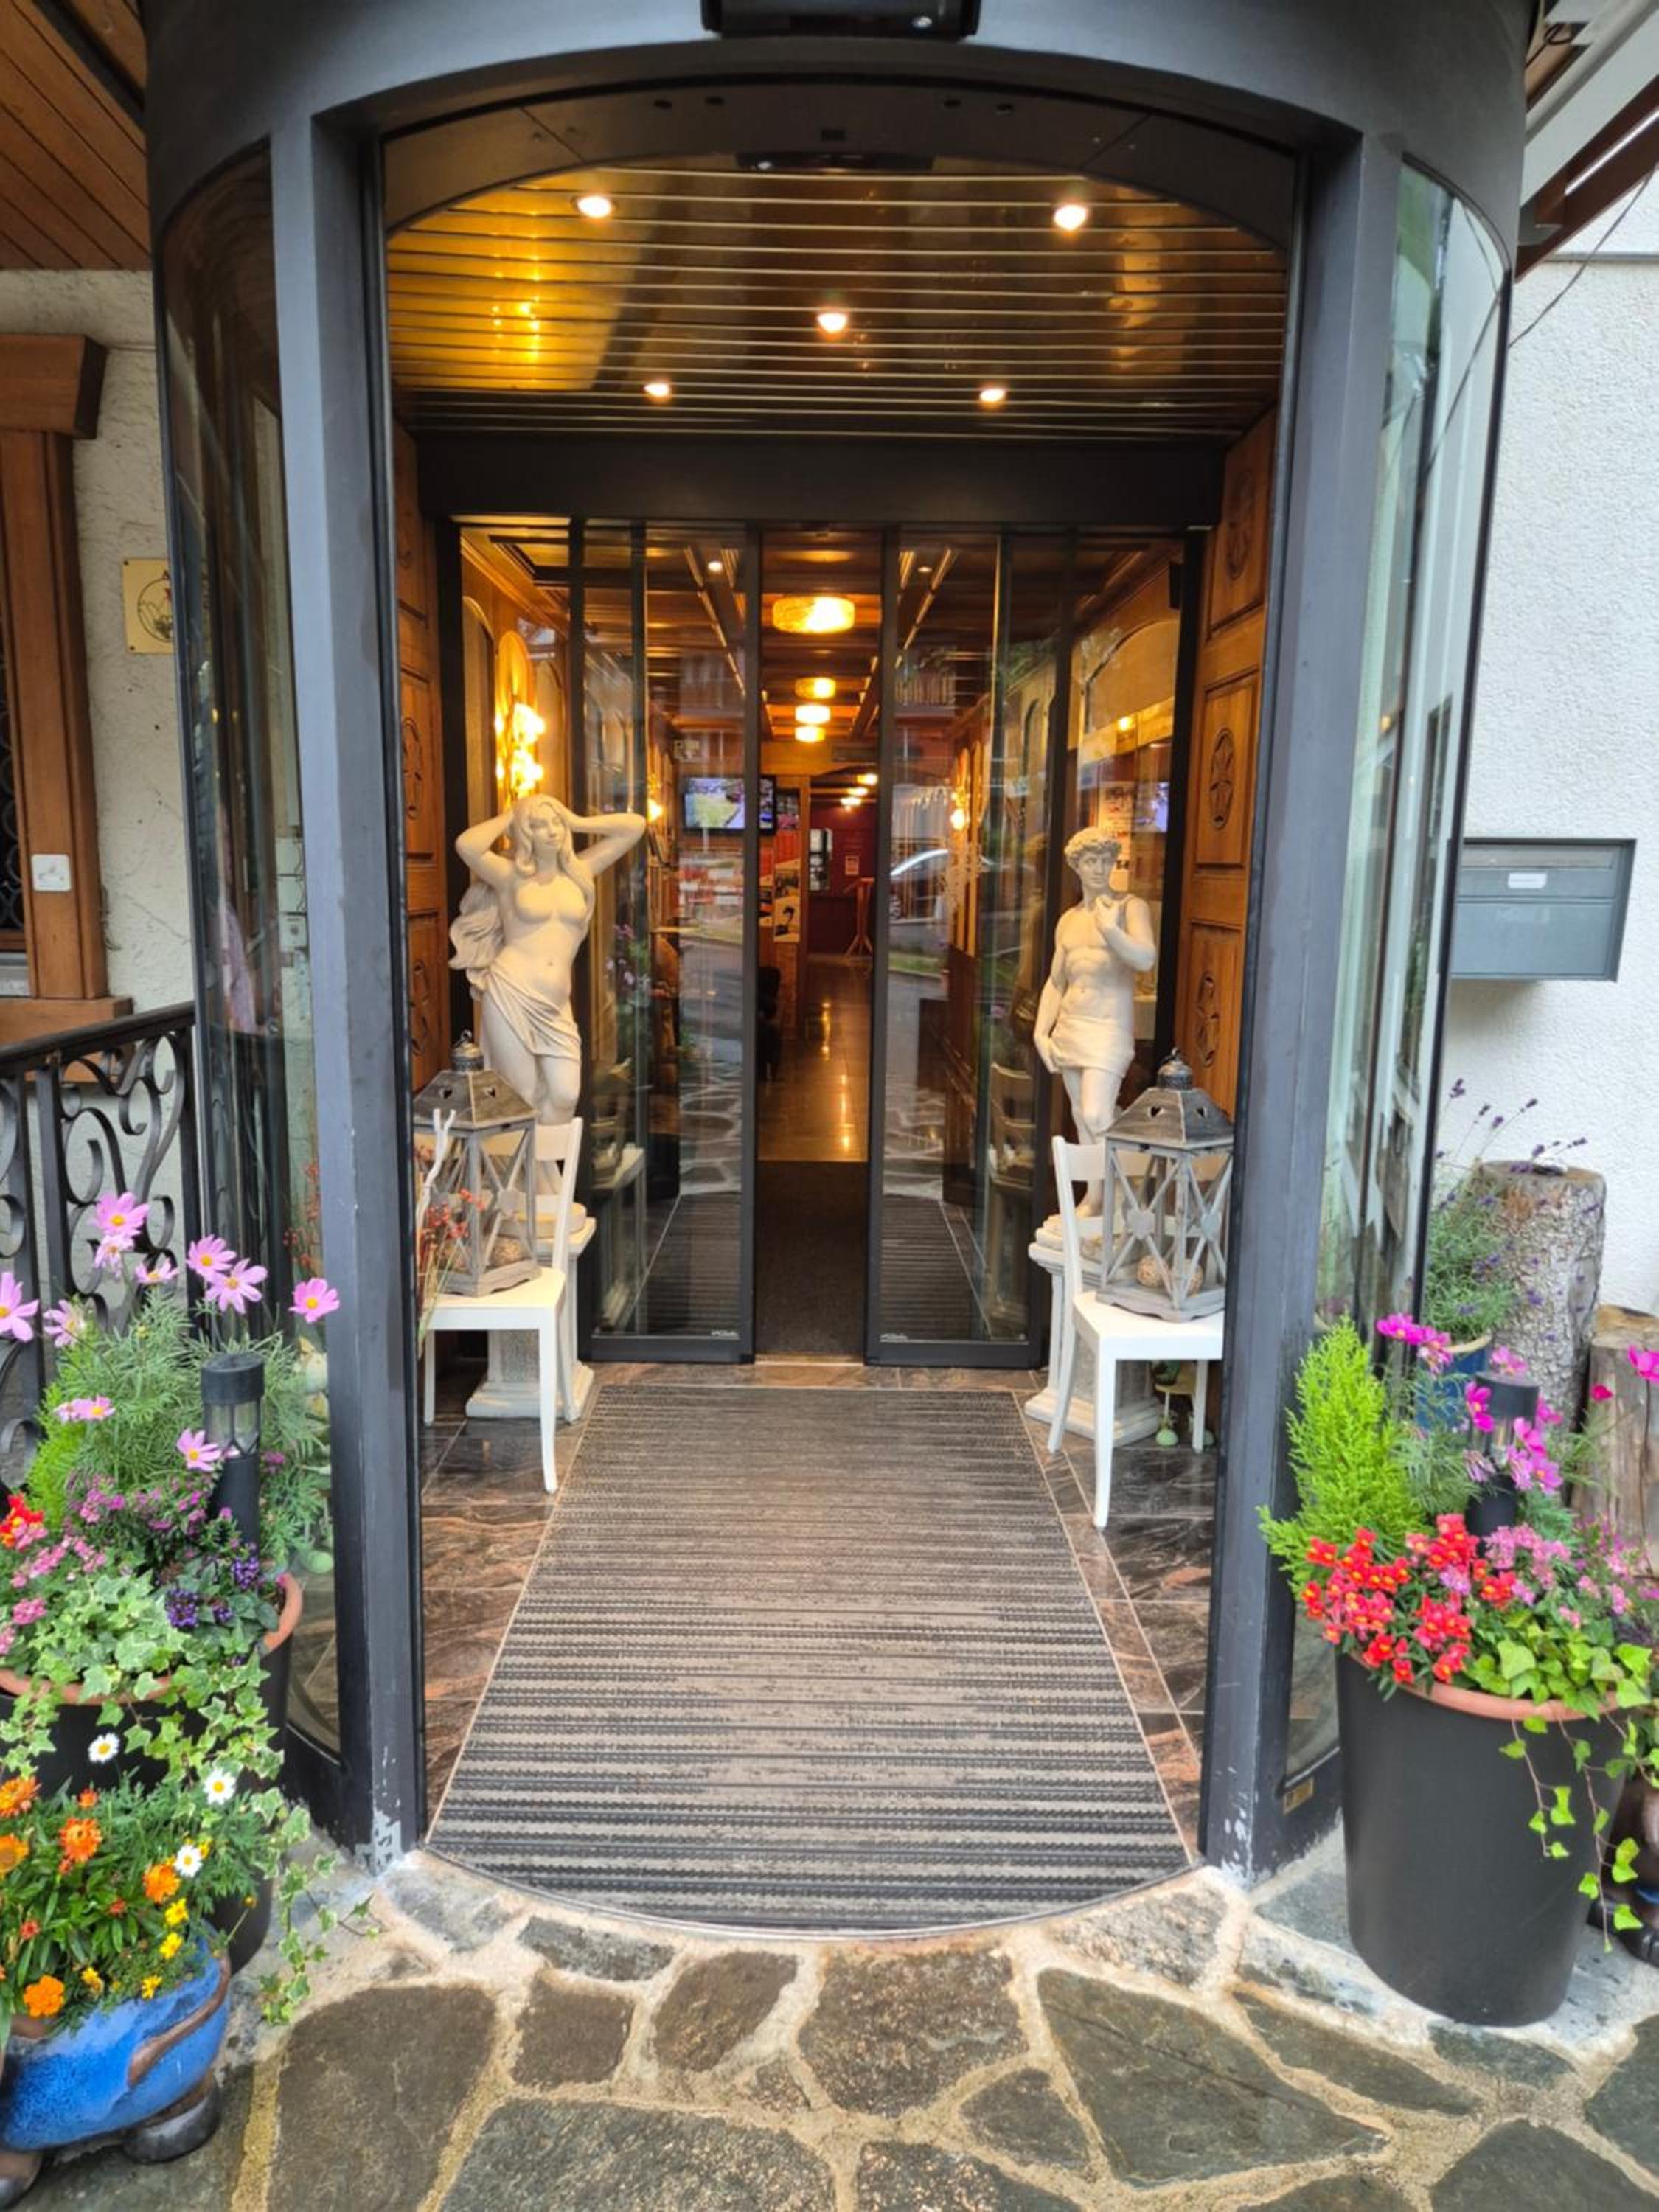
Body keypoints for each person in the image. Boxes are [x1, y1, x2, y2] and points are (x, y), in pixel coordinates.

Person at [449, 792, 644, 1125]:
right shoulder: (509, 876)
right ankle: (535, 1163)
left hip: (555, 1005)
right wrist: (512, 816)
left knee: (565, 1095)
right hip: (511, 991)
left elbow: (634, 826)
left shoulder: (580, 872)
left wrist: (576, 821)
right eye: (539, 825)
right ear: (526, 832)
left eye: (556, 823)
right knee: (522, 1095)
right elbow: (467, 845)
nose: (552, 831)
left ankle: (542, 1160)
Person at [1034, 827, 1156, 1204]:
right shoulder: (1069, 920)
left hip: (1107, 1027)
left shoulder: (1130, 907)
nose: (1100, 868)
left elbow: (1145, 959)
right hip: (1071, 1025)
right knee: (1080, 1115)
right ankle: (1096, 1195)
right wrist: (1041, 1032)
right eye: (1091, 861)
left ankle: (1121, 1194)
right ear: (1077, 866)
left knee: (1097, 1113)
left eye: (1106, 860)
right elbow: (1057, 982)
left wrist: (1110, 931)